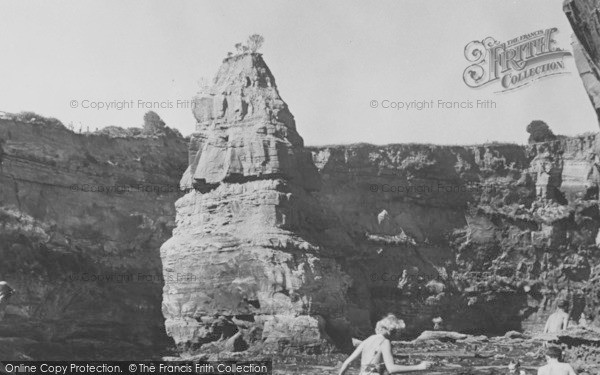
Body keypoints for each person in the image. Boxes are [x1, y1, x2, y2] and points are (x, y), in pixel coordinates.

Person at [338, 314, 432, 375]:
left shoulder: (367, 340)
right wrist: (419, 367)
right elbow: (391, 369)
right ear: (391, 330)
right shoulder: (385, 342)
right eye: (398, 332)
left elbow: (347, 362)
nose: (398, 335)